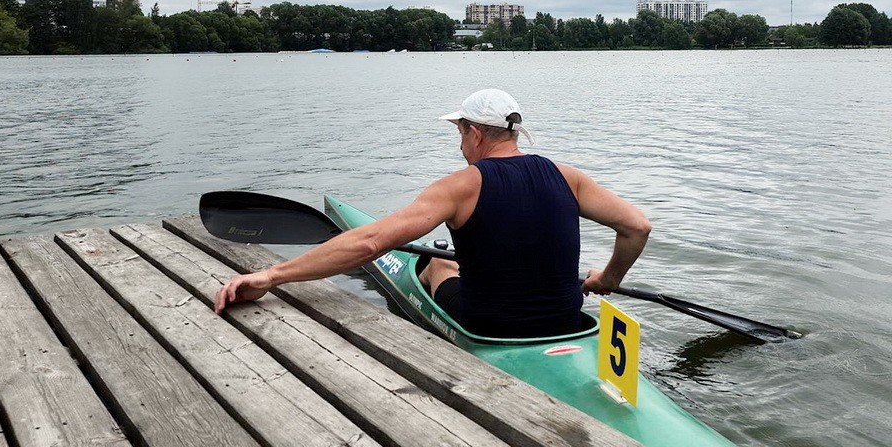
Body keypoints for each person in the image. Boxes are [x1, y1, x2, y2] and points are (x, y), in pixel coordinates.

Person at [215, 89, 651, 337]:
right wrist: (608, 279)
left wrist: (272, 276)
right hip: (566, 319)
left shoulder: (459, 187)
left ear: (475, 133)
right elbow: (636, 226)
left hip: (490, 328)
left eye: (460, 133)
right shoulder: (569, 177)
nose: (460, 143)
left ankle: (435, 280)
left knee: (439, 262)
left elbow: (370, 242)